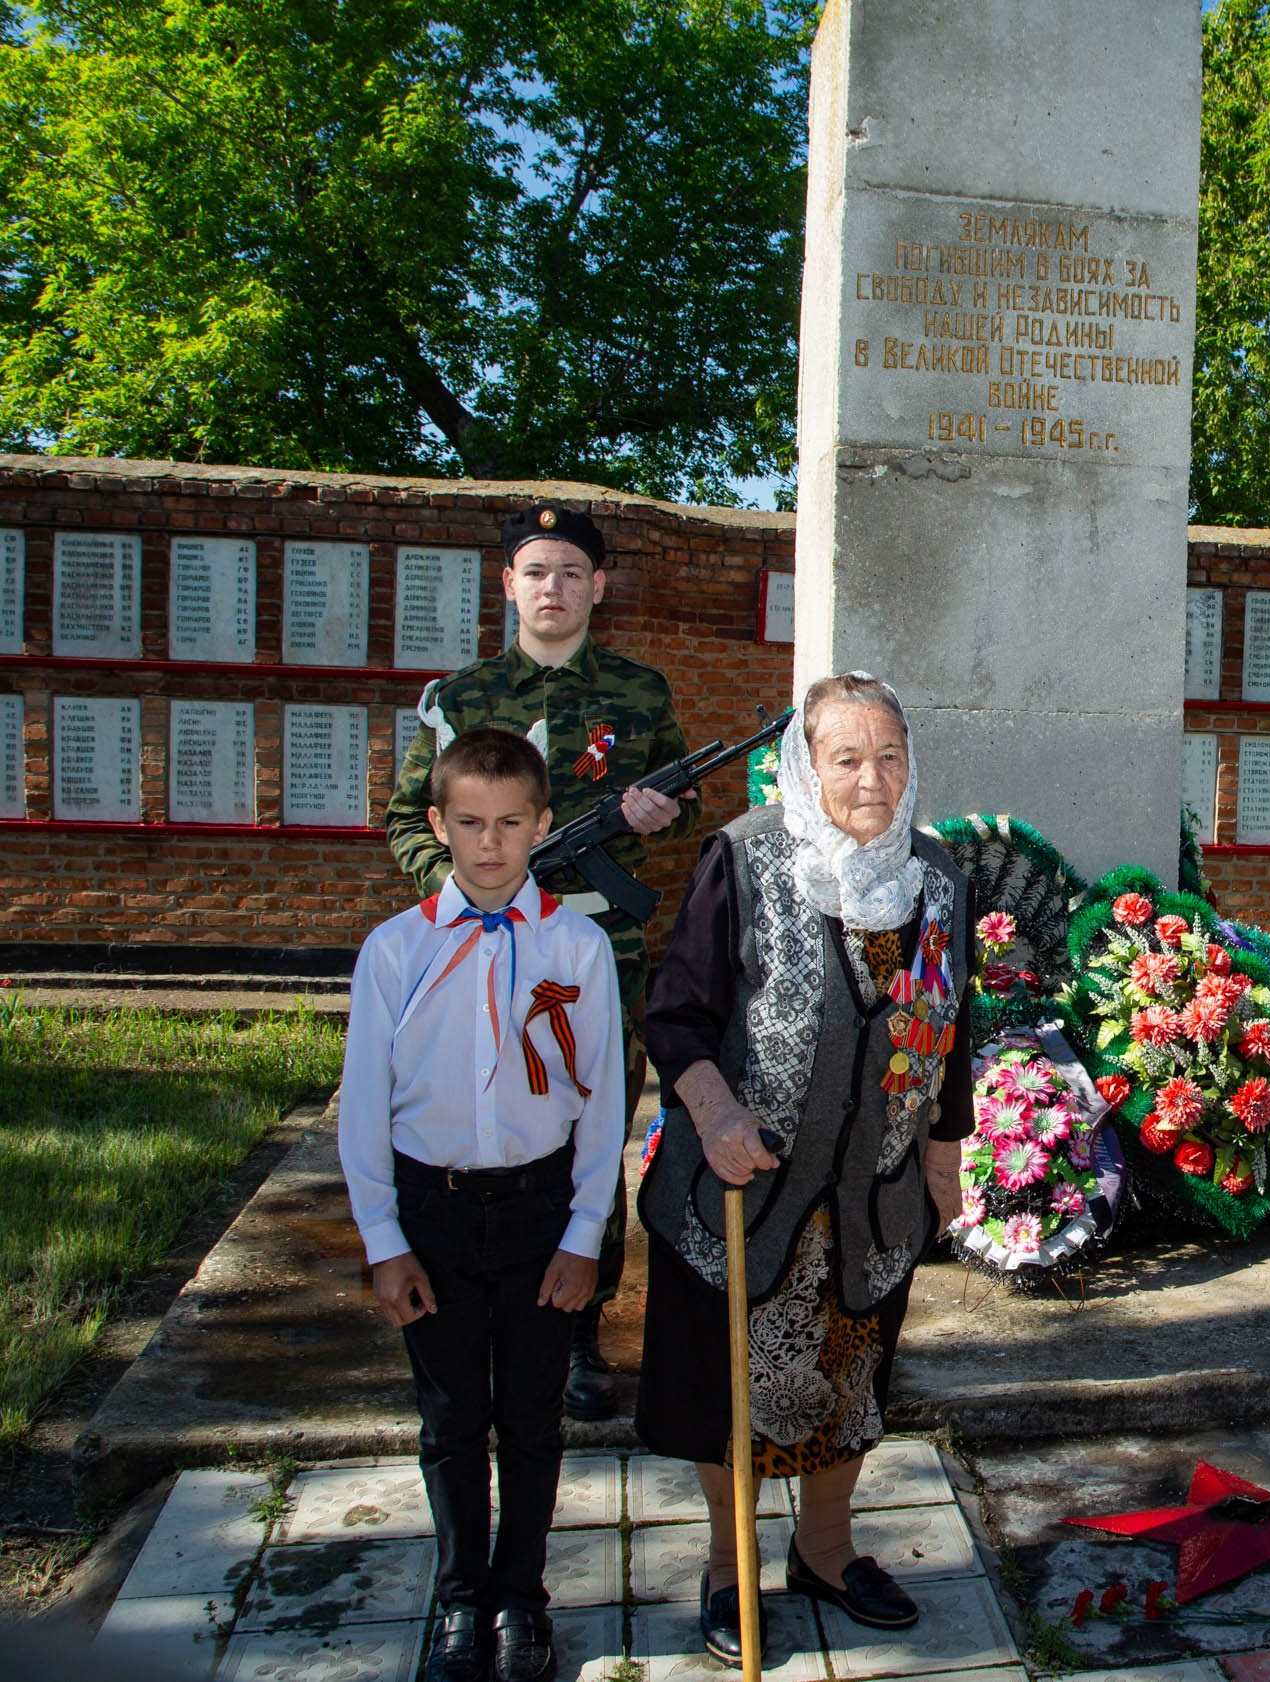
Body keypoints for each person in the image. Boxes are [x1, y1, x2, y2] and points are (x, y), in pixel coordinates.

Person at [635, 673, 972, 1662]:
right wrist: (717, 1110)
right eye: (848, 757)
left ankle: (826, 1552)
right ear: (806, 765)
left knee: (852, 1375)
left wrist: (946, 1165)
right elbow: (676, 1012)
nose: (873, 778)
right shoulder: (743, 857)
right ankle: (726, 1567)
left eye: (891, 755)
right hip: (744, 1185)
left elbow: (956, 1028)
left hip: (873, 1193)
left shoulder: (940, 875)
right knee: (723, 1384)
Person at [387, 502, 700, 1421]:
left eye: (571, 572)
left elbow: (680, 803)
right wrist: (461, 889)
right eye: (537, 572)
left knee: (589, 1140)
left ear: (598, 586)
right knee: (484, 1123)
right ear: (510, 586)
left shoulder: (641, 693)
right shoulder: (460, 700)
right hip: (480, 948)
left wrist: (659, 817)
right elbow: (409, 818)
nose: (553, 588)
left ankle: (576, 1333)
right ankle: (471, 1313)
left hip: (601, 951)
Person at [340, 728, 625, 1682]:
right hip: (435, 1213)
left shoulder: (577, 947)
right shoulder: (395, 950)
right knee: (452, 1417)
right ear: (439, 825)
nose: (491, 844)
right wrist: (385, 1241)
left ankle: (522, 1601)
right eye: (470, 823)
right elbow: (365, 1112)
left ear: (542, 825)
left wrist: (586, 1235)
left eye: (511, 824)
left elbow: (604, 1106)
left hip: (541, 1208)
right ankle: (461, 1600)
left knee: (534, 1418)